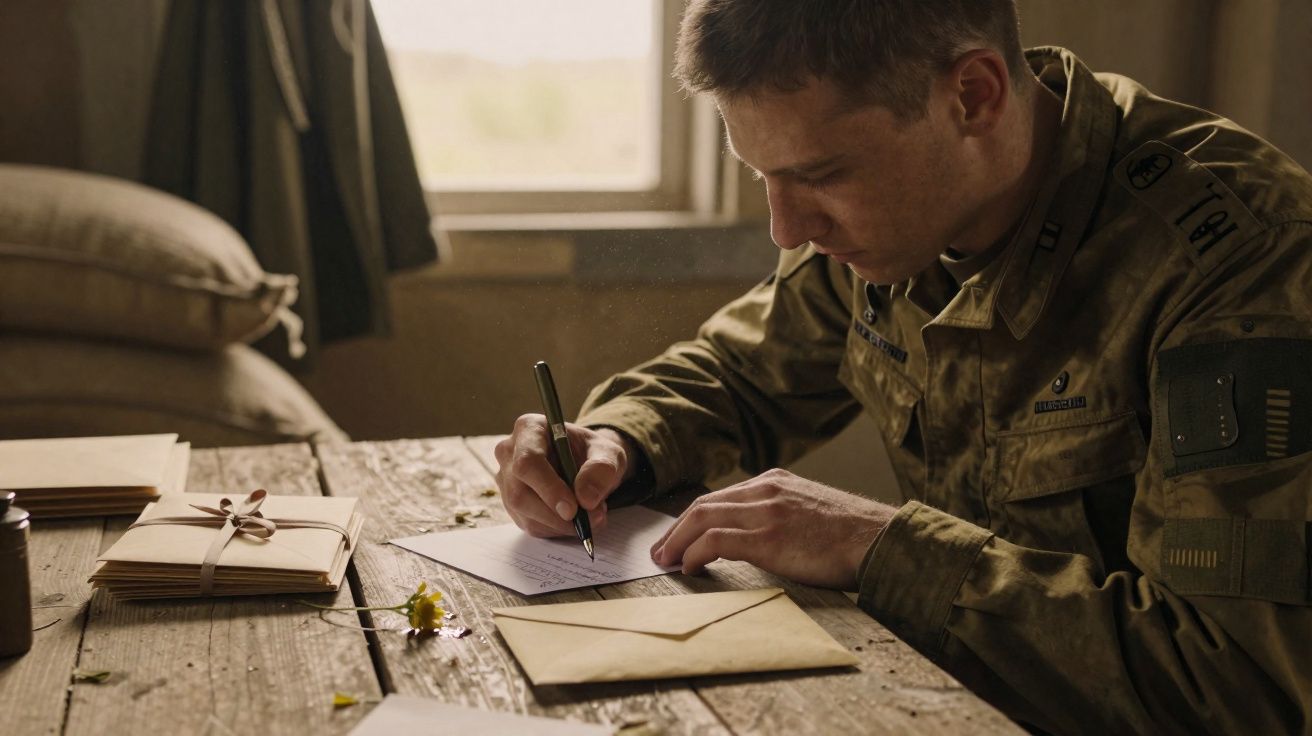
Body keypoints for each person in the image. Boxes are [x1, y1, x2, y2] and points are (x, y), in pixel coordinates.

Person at [494, 1, 1312, 732]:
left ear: (974, 96)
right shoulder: (899, 221)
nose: (785, 228)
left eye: (819, 175)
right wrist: (614, 441)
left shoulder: (1240, 267)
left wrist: (881, 544)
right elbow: (741, 373)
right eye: (763, 177)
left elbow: (1240, 685)